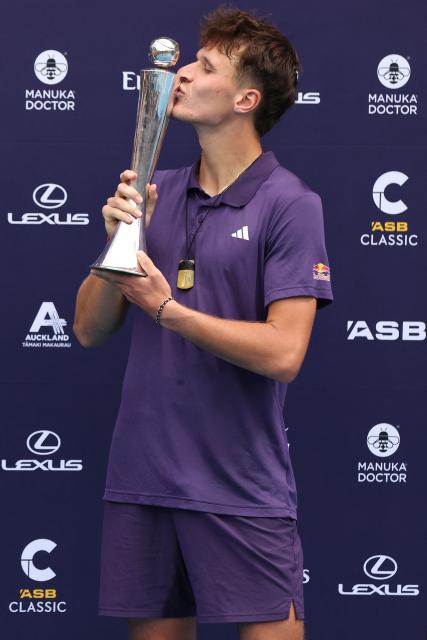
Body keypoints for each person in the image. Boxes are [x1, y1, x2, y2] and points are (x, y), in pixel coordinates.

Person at [73, 7, 332, 640]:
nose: (181, 74)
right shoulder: (152, 191)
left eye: (204, 66)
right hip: (144, 480)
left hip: (238, 487)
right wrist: (116, 248)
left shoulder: (291, 204)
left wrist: (168, 311)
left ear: (247, 98)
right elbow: (88, 329)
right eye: (189, 61)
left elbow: (284, 353)